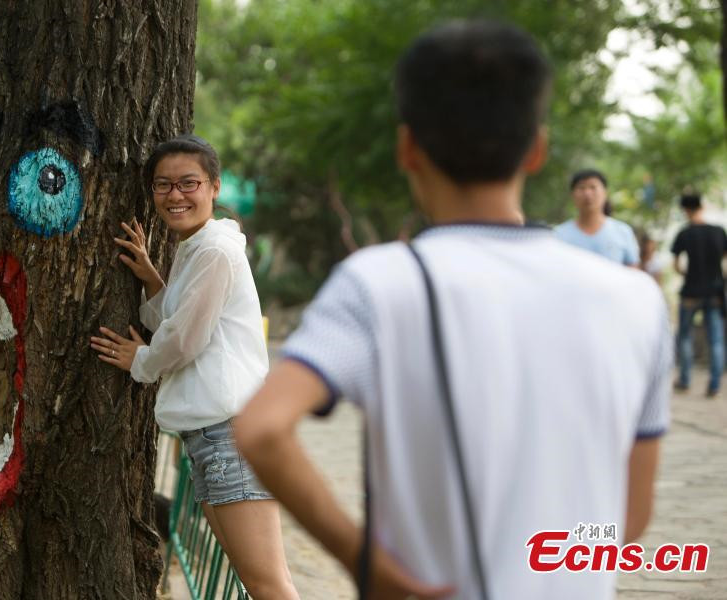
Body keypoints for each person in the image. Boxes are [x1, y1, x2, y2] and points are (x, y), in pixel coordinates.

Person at [234, 21, 670, 600]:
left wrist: (364, 563)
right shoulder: (637, 300)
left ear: (407, 147)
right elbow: (630, 520)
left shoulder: (379, 284)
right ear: (536, 149)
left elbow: (262, 428)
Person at [90, 134, 298, 599]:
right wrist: (149, 275)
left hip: (232, 434)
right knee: (256, 581)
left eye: (189, 183)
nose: (175, 195)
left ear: (214, 186)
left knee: (269, 584)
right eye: (163, 185)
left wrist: (139, 361)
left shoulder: (215, 252)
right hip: (213, 436)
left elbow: (184, 338)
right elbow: (181, 318)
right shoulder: (196, 248)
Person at [671, 192, 727, 397]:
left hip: (690, 293)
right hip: (714, 292)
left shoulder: (685, 233)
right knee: (717, 339)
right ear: (701, 206)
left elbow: (676, 265)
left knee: (685, 336)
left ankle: (685, 380)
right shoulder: (719, 231)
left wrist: (688, 274)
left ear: (685, 209)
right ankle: (714, 385)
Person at [554, 169, 640, 266]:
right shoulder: (558, 235)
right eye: (581, 188)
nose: (587, 193)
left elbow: (632, 271)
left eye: (593, 187)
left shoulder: (623, 232)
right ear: (572, 195)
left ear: (605, 193)